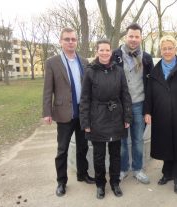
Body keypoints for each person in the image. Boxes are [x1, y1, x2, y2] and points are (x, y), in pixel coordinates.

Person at [42, 27, 95, 197]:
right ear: (61, 41)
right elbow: (47, 89)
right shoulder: (52, 62)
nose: (70, 42)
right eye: (67, 39)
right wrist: (47, 111)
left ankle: (82, 174)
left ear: (76, 41)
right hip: (64, 112)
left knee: (83, 147)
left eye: (73, 39)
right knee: (62, 149)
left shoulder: (84, 61)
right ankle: (61, 181)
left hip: (83, 112)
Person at [144, 35, 177, 194]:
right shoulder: (155, 71)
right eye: (164, 48)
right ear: (161, 50)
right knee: (165, 144)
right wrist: (147, 111)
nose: (167, 51)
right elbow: (149, 94)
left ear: (175, 49)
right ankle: (167, 173)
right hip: (161, 115)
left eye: (170, 48)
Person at [79, 39, 132, 199]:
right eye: (101, 50)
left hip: (116, 115)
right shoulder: (90, 71)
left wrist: (127, 116)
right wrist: (85, 122)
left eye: (107, 50)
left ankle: (115, 183)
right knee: (99, 155)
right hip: (97, 117)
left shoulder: (118, 70)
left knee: (116, 154)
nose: (104, 53)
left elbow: (125, 94)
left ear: (111, 52)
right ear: (97, 51)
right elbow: (85, 99)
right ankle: (100, 185)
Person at [112, 23, 154, 184]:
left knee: (137, 140)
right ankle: (123, 169)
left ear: (141, 38)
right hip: (120, 105)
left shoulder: (146, 58)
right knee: (122, 141)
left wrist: (149, 108)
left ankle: (138, 169)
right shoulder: (114, 55)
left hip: (139, 105)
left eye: (137, 36)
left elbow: (151, 85)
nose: (134, 39)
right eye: (131, 36)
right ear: (125, 36)